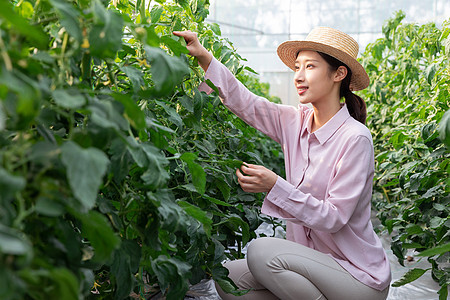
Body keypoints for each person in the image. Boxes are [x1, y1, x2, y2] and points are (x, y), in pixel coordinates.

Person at [173, 27, 391, 300]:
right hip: (313, 265)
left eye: (310, 67)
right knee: (230, 279)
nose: (298, 76)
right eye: (297, 67)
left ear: (339, 74)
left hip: (356, 278)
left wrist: (275, 185)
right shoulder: (295, 122)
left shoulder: (355, 138)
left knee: (261, 252)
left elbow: (333, 217)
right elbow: (246, 103)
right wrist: (204, 57)